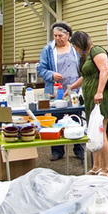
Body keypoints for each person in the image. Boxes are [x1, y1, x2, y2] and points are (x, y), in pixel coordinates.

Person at [68, 31, 108, 177]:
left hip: (101, 99)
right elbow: (85, 76)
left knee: (101, 133)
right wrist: (71, 87)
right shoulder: (86, 56)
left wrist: (99, 91)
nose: (74, 49)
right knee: (93, 133)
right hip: (90, 101)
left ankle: (105, 169)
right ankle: (96, 166)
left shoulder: (96, 50)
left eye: (75, 45)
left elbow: (104, 70)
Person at [36, 22, 84, 163]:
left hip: (74, 89)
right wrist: (51, 75)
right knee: (56, 120)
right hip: (56, 90)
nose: (58, 38)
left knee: (77, 118)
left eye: (61, 36)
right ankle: (57, 151)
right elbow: (41, 69)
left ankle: (79, 149)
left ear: (68, 35)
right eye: (55, 36)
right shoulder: (48, 50)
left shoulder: (75, 49)